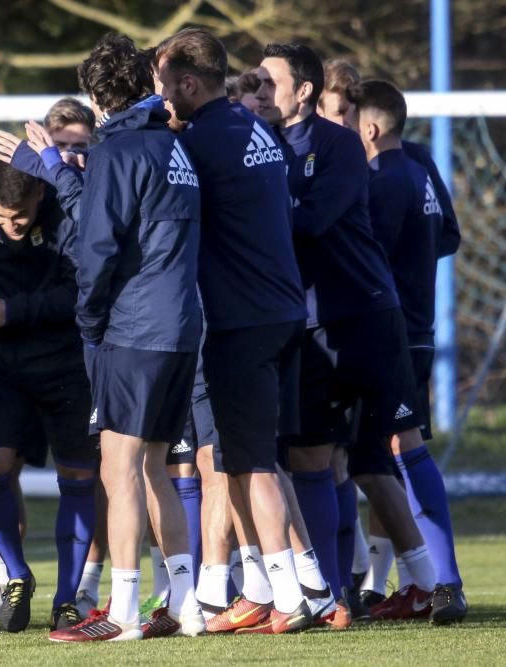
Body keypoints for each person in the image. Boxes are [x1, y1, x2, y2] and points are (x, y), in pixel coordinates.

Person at [254, 42, 450, 626]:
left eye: (270, 83)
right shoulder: (261, 146)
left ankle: (431, 582)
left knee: (381, 456)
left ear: (303, 91)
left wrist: (251, 207)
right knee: (320, 458)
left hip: (366, 320)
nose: (261, 92)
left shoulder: (338, 146)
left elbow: (312, 222)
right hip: (311, 326)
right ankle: (336, 594)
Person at [152, 28, 314, 635]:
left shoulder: (199, 143)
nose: (163, 98)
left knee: (252, 463)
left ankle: (291, 596)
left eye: (167, 86)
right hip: (281, 309)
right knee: (245, 459)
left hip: (242, 319)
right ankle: (272, 588)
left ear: (190, 83)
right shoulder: (255, 128)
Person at [48, 33, 205, 642]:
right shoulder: (175, 146)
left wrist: (89, 319)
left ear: (94, 94)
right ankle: (186, 604)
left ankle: (122, 613)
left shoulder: (118, 150)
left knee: (120, 466)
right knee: (158, 468)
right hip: (182, 325)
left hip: (135, 326)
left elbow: (98, 248)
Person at [0, 159, 99, 634]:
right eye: (0, 216)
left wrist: (13, 309)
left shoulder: (67, 214)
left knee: (77, 477)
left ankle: (68, 599)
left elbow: (83, 291)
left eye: (21, 217)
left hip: (63, 363)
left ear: (40, 198)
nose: (10, 227)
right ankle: (16, 574)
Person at [344, 79, 467, 624]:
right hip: (419, 327)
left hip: (390, 332)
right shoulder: (420, 170)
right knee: (383, 456)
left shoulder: (381, 180)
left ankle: (444, 583)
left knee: (401, 452)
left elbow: (363, 254)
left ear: (368, 127)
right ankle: (408, 583)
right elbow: (449, 238)